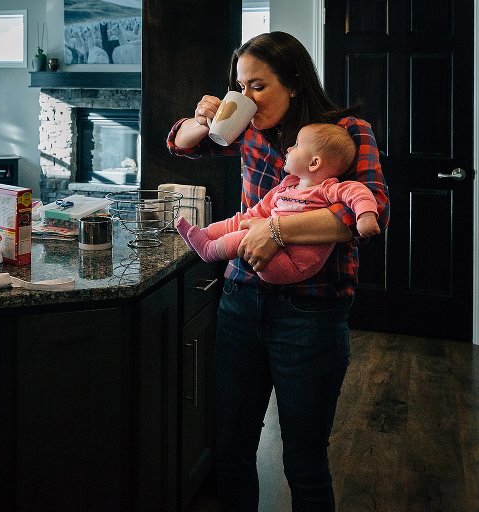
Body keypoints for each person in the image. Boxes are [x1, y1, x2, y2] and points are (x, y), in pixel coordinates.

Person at [166, 32, 390, 511]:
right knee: (231, 451)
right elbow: (181, 144)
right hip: (241, 301)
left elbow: (370, 212)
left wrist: (277, 230)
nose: (246, 97)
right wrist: (201, 120)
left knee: (305, 462)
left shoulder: (347, 132)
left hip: (312, 312)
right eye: (240, 86)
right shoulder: (247, 129)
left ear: (293, 82)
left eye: (258, 86)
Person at [176, 123, 380, 285]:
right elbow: (252, 215)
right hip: (261, 269)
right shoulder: (286, 187)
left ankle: (209, 250)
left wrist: (365, 216)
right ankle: (205, 235)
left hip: (294, 265)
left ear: (314, 163)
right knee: (244, 221)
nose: (289, 148)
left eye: (297, 145)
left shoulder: (327, 189)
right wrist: (210, 231)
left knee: (245, 234)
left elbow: (360, 193)